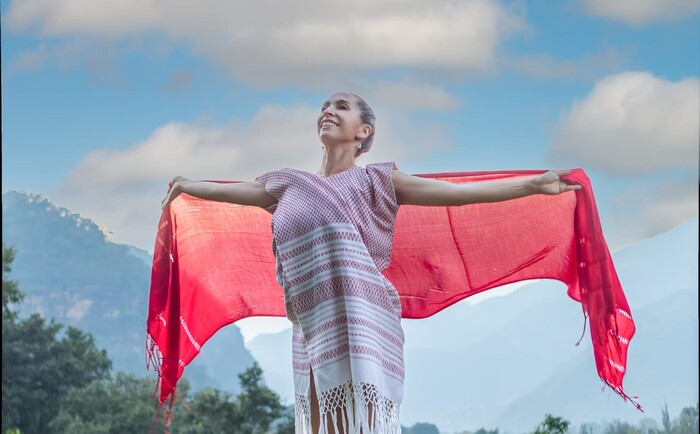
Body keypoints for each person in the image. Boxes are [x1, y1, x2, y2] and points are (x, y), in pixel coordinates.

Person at [161, 92, 581, 434]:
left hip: (362, 318)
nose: (328, 111)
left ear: (364, 132)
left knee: (352, 426)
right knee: (320, 425)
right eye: (324, 106)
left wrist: (532, 185)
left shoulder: (376, 180)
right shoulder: (286, 184)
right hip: (311, 325)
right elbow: (228, 194)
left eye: (341, 106)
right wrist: (186, 185)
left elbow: (454, 194)